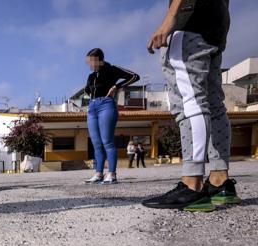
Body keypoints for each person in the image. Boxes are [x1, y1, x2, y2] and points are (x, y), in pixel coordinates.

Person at [143, 0, 241, 211]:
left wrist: (171, 18)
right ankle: (219, 180)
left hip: (190, 20)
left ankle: (192, 184)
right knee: (214, 105)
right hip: (217, 23)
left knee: (190, 103)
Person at [83, 48, 140, 185]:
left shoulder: (112, 69)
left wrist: (117, 86)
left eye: (91, 60)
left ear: (99, 59)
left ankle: (112, 174)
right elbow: (87, 90)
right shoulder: (91, 76)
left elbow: (134, 76)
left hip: (106, 105)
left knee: (107, 141)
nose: (89, 64)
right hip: (92, 108)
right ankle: (98, 173)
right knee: (96, 143)